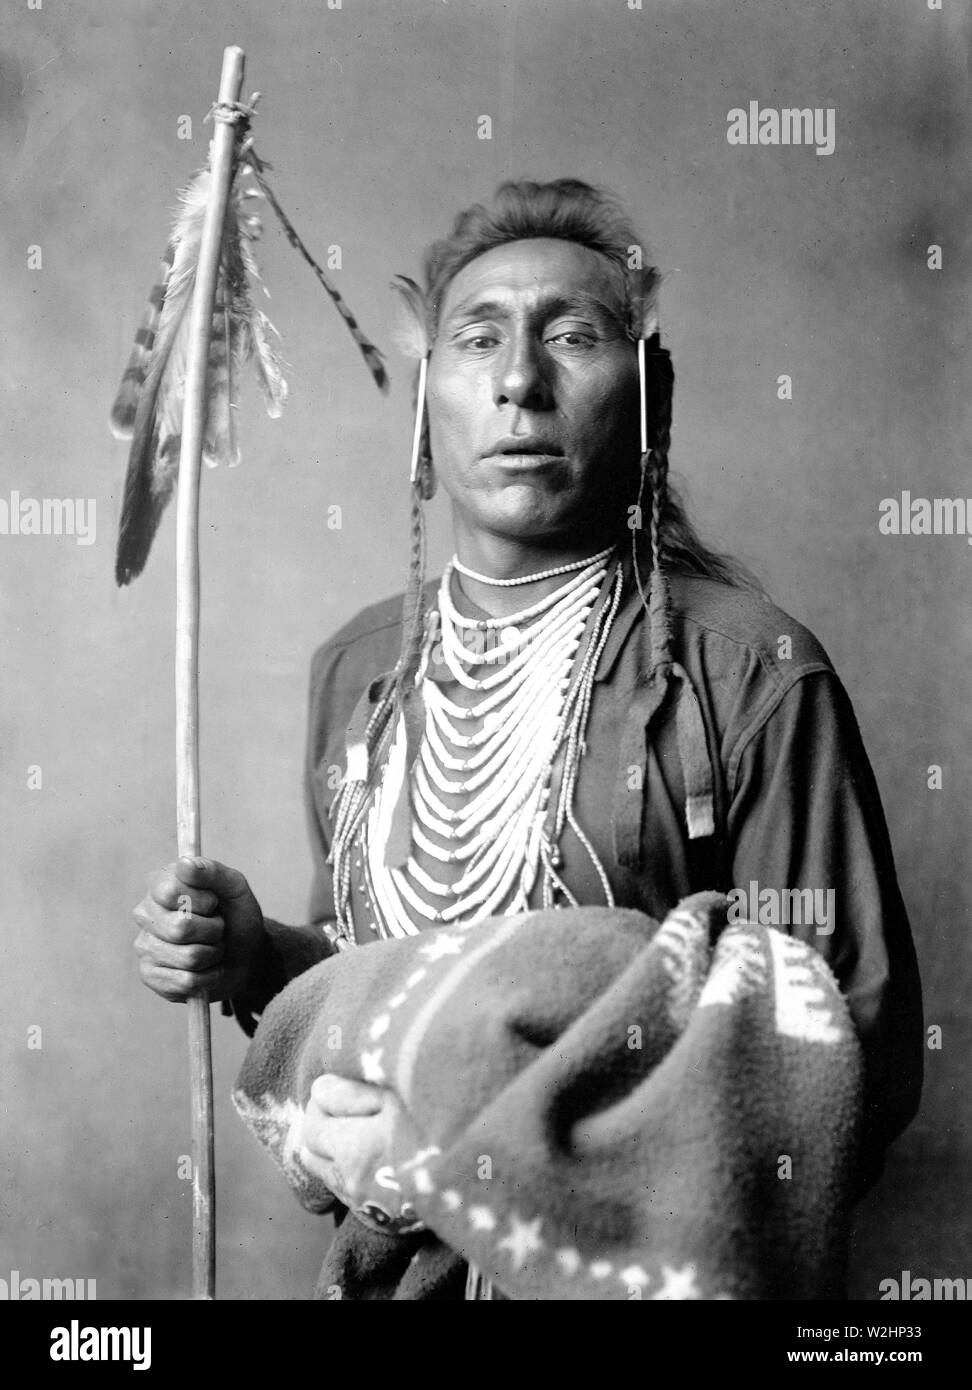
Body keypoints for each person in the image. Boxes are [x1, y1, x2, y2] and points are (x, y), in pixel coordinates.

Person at [133, 178, 923, 1295]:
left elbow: (854, 1056)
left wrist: (471, 1164)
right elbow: (376, 977)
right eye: (479, 339)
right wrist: (260, 956)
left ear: (651, 394)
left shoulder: (751, 672)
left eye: (573, 336)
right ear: (425, 402)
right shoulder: (360, 672)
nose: (520, 382)